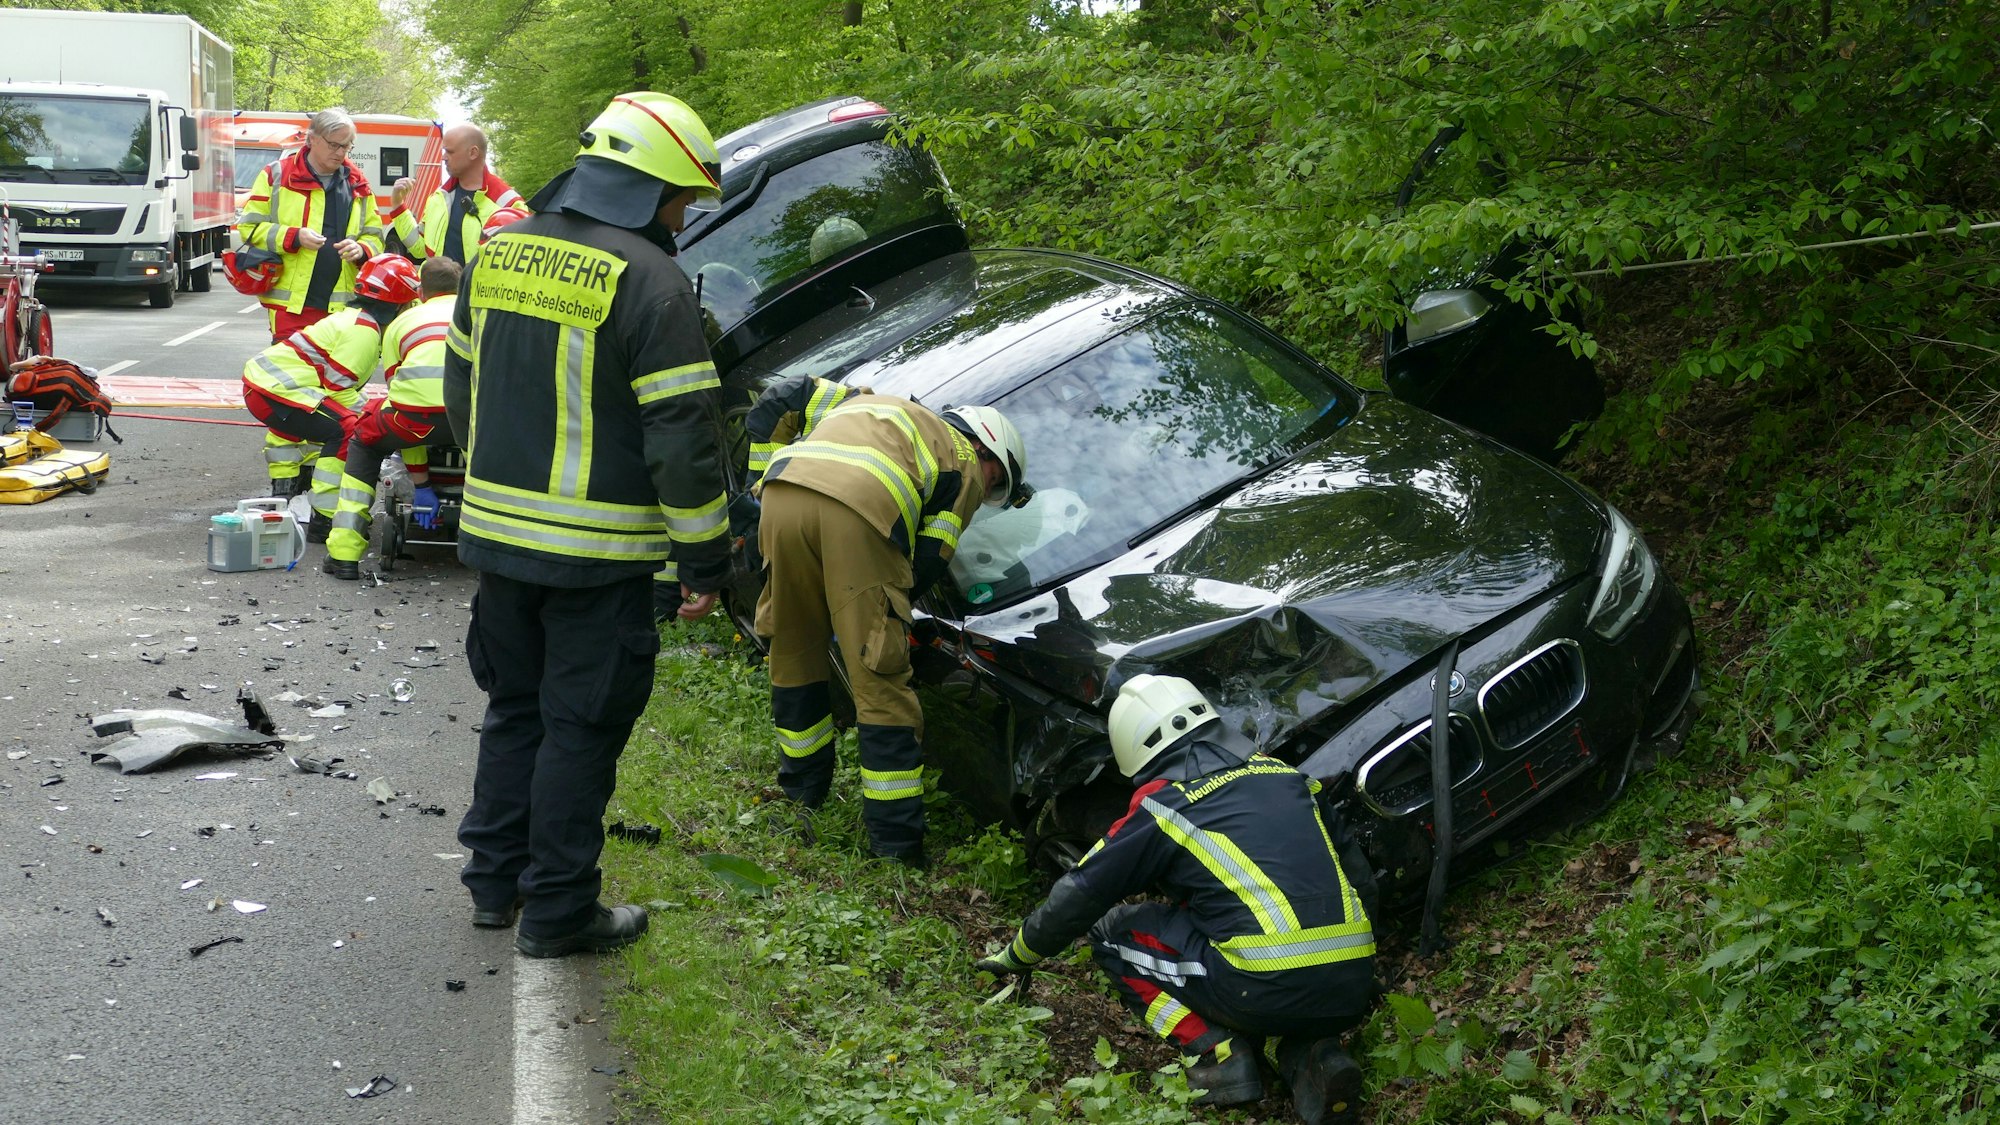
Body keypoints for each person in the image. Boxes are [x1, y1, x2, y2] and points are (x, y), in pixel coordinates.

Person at [444, 91, 732, 959]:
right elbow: (681, 439)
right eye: (682, 199)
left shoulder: (498, 252)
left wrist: (494, 485)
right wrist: (704, 560)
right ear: (652, 187)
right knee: (579, 725)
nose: (683, 217)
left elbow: (462, 389)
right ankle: (560, 910)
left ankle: (494, 884)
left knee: (514, 708)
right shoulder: (653, 282)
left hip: (498, 540)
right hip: (596, 559)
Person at [975, 674, 1377, 1125]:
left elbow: (1081, 892)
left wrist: (1016, 956)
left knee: (1111, 934)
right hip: (1353, 983)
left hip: (1260, 985)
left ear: (1135, 748)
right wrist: (1345, 969)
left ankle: (1218, 1054)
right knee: (1256, 969)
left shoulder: (1164, 805)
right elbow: (1362, 883)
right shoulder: (1290, 778)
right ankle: (1306, 1054)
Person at [750, 380, 1029, 867]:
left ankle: (800, 800)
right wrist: (887, 612)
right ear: (986, 446)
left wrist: (754, 491)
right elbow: (931, 558)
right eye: (997, 482)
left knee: (793, 656)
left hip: (782, 496)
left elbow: (779, 399)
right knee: (880, 679)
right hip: (856, 510)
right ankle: (895, 847)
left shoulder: (871, 401)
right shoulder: (963, 459)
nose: (987, 492)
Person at [237, 108, 387, 496]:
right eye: (335, 145)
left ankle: (319, 472)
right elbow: (248, 228)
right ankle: (285, 478)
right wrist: (293, 236)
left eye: (348, 146)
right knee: (288, 390)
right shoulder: (277, 175)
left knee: (335, 394)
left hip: (341, 307)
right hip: (292, 306)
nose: (342, 153)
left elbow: (376, 234)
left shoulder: (357, 182)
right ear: (312, 139)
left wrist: (362, 248)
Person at [240, 255, 421, 542]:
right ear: (398, 304)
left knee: (338, 423)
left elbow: (339, 389)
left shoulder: (357, 320)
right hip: (273, 391)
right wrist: (378, 420)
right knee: (346, 429)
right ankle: (325, 518)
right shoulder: (364, 331)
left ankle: (314, 507)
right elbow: (339, 391)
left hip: (267, 387)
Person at [323, 256, 464, 580]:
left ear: (421, 292)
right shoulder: (480, 316)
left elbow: (400, 393)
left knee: (365, 441)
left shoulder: (405, 321)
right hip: (472, 419)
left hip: (412, 419)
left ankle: (344, 553)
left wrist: (421, 483)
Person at [384, 123, 526, 266]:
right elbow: (419, 248)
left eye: (450, 152)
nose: (443, 157)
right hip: (436, 281)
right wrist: (398, 204)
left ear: (473, 153)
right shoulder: (438, 198)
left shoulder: (509, 205)